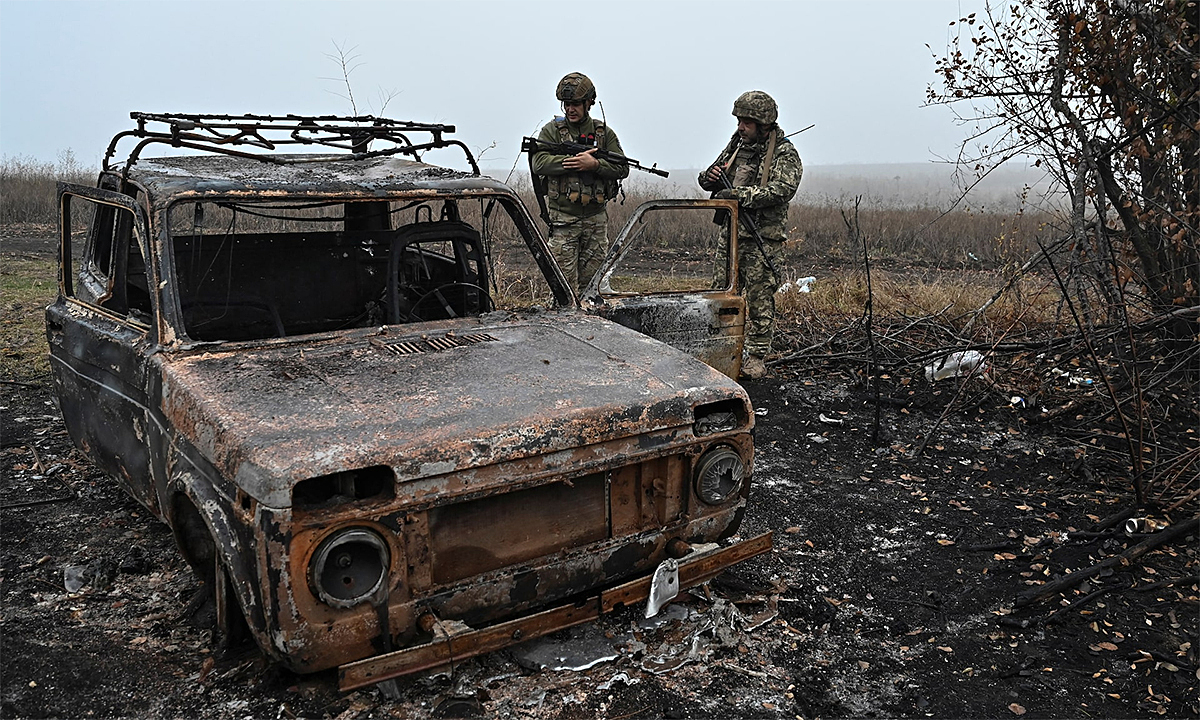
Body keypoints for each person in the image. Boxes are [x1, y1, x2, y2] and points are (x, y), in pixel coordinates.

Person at [698, 90, 802, 380]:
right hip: (731, 233)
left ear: (763, 123)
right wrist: (709, 178)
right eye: (739, 121)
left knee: (759, 299)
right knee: (721, 294)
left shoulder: (784, 152)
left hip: (761, 237)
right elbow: (712, 175)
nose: (740, 127)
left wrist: (740, 195)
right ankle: (720, 350)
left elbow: (783, 189)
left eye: (746, 122)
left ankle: (755, 357)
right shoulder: (736, 146)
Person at [530, 72, 630, 295]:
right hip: (563, 221)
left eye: (575, 104)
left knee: (593, 289)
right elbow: (539, 162)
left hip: (595, 221)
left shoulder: (603, 134)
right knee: (562, 290)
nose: (570, 109)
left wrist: (594, 165)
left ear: (588, 103)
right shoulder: (552, 131)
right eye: (566, 104)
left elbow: (622, 167)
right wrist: (573, 163)